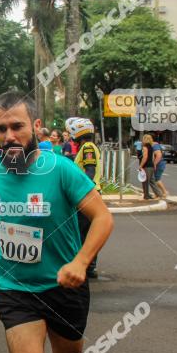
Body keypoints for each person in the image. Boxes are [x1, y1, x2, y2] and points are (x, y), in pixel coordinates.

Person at [0, 91, 113, 353]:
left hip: (64, 285)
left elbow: (102, 218)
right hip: (15, 287)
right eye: (1, 128)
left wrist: (81, 262)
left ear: (36, 127)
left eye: (17, 126)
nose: (9, 136)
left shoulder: (61, 169)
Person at [68, 118, 103, 279]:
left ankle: (87, 266)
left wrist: (80, 190)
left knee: (81, 232)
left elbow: (90, 170)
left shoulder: (88, 147)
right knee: (86, 231)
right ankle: (89, 266)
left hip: (87, 195)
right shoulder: (86, 147)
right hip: (90, 193)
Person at [139, 133, 164, 200]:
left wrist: (140, 166)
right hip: (151, 166)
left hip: (146, 166)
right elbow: (152, 157)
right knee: (152, 181)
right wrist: (154, 164)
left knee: (145, 181)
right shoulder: (151, 147)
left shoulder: (145, 147)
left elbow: (145, 157)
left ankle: (146, 196)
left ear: (145, 139)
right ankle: (159, 194)